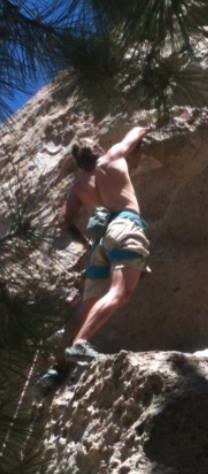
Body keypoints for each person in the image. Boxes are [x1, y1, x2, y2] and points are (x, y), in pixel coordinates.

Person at [38, 126, 151, 391]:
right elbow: (134, 135)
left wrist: (81, 239)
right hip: (125, 224)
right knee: (120, 292)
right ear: (98, 150)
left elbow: (65, 221)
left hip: (101, 243)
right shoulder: (112, 158)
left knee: (85, 306)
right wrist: (145, 127)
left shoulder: (79, 187)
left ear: (80, 163)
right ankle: (80, 346)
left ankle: (57, 369)